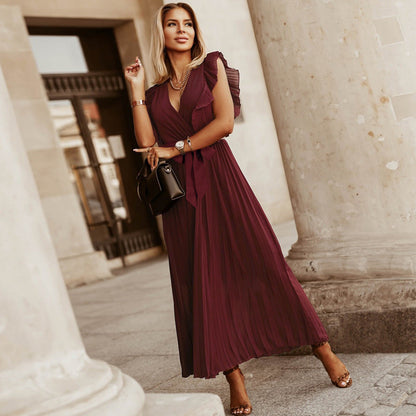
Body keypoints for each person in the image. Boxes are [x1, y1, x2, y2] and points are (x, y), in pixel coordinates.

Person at [124, 2, 352, 415]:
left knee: (264, 264)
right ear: (161, 33)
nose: (181, 30)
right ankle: (236, 380)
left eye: (188, 23)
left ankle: (323, 349)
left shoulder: (212, 65)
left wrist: (177, 146)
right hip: (182, 202)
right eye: (172, 24)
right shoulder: (155, 93)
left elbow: (225, 123)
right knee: (204, 285)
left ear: (196, 30)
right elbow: (145, 145)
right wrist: (137, 92)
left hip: (222, 183)